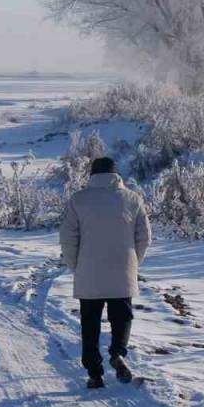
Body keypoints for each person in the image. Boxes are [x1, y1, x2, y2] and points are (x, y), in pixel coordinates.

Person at [59, 156, 152, 389]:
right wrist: (133, 263)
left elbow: (68, 238)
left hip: (88, 272)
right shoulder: (132, 199)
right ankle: (117, 353)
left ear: (92, 175)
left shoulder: (78, 200)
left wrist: (75, 265)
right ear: (116, 174)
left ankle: (94, 374)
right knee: (122, 317)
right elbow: (144, 238)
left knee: (90, 324)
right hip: (122, 271)